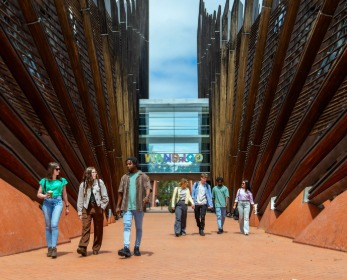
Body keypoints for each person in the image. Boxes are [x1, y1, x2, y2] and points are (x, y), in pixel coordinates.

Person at [116, 157, 152, 258]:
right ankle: (126, 248)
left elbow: (148, 187)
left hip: (139, 206)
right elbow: (120, 192)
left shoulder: (143, 176)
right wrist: (118, 206)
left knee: (139, 228)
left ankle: (136, 247)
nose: (128, 166)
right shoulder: (124, 177)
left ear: (135, 164)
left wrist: (147, 196)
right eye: (127, 164)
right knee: (126, 227)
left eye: (130, 164)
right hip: (126, 206)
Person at [37, 162, 69, 258]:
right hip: (47, 203)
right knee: (48, 226)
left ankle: (54, 248)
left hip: (58, 202)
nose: (59, 171)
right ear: (52, 170)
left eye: (59, 169)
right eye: (57, 169)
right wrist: (44, 195)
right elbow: (38, 193)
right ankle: (50, 248)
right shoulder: (44, 181)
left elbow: (65, 194)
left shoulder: (62, 181)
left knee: (54, 224)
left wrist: (67, 206)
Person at [76, 167, 109, 256]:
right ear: (88, 174)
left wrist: (102, 207)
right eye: (92, 172)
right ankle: (83, 247)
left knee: (98, 229)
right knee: (85, 227)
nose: (94, 174)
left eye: (95, 172)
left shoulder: (99, 182)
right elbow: (80, 199)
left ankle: (96, 248)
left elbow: (105, 197)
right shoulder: (83, 185)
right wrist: (79, 212)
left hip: (97, 207)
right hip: (86, 208)